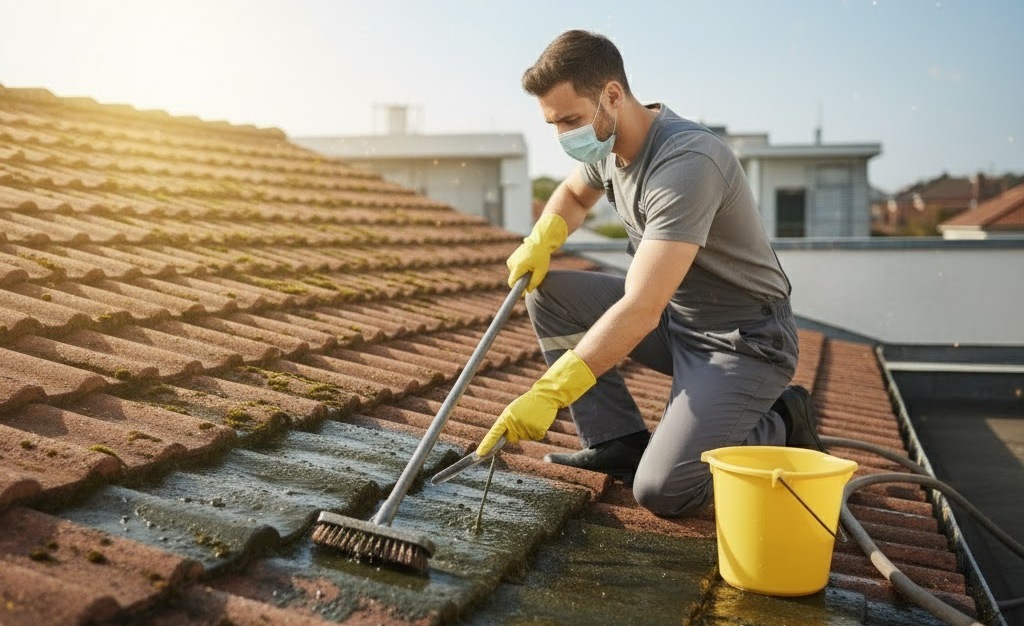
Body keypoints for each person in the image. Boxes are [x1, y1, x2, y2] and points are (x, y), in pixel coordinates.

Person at [476, 29, 823, 518]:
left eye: (570, 120)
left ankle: (785, 419)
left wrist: (551, 392)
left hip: (742, 340)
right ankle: (616, 440)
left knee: (665, 491)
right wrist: (543, 237)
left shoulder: (686, 163)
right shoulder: (611, 144)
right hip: (677, 320)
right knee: (548, 292)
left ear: (612, 96)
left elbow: (640, 308)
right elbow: (574, 196)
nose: (563, 137)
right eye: (553, 124)